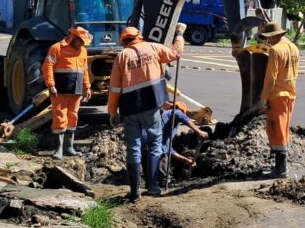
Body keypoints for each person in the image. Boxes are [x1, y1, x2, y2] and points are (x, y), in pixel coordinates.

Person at [107, 23, 187, 201]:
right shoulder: (153, 48)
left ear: (124, 41)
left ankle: (135, 192)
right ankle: (153, 187)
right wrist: (179, 34)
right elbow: (175, 53)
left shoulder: (122, 56)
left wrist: (112, 111)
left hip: (129, 108)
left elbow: (114, 88)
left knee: (133, 148)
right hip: (151, 105)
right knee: (155, 145)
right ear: (139, 36)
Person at [257, 21, 300, 179]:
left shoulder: (275, 50)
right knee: (284, 129)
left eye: (268, 38)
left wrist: (263, 99)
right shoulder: (293, 48)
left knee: (277, 130)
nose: (267, 41)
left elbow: (270, 78)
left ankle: (280, 169)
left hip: (277, 95)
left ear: (274, 36)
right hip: (290, 95)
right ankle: (280, 166)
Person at [41, 26, 93, 158]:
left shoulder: (83, 51)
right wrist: (51, 85)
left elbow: (85, 70)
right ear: (74, 38)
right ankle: (59, 149)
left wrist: (87, 87)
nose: (82, 44)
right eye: (81, 41)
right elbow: (47, 67)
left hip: (76, 90)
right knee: (59, 117)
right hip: (60, 90)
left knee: (73, 116)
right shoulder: (57, 48)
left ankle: (69, 147)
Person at [159, 100, 209, 171]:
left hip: (149, 149)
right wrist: (198, 131)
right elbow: (180, 115)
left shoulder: (166, 122)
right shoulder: (175, 112)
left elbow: (168, 150)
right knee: (162, 176)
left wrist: (186, 160)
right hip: (156, 151)